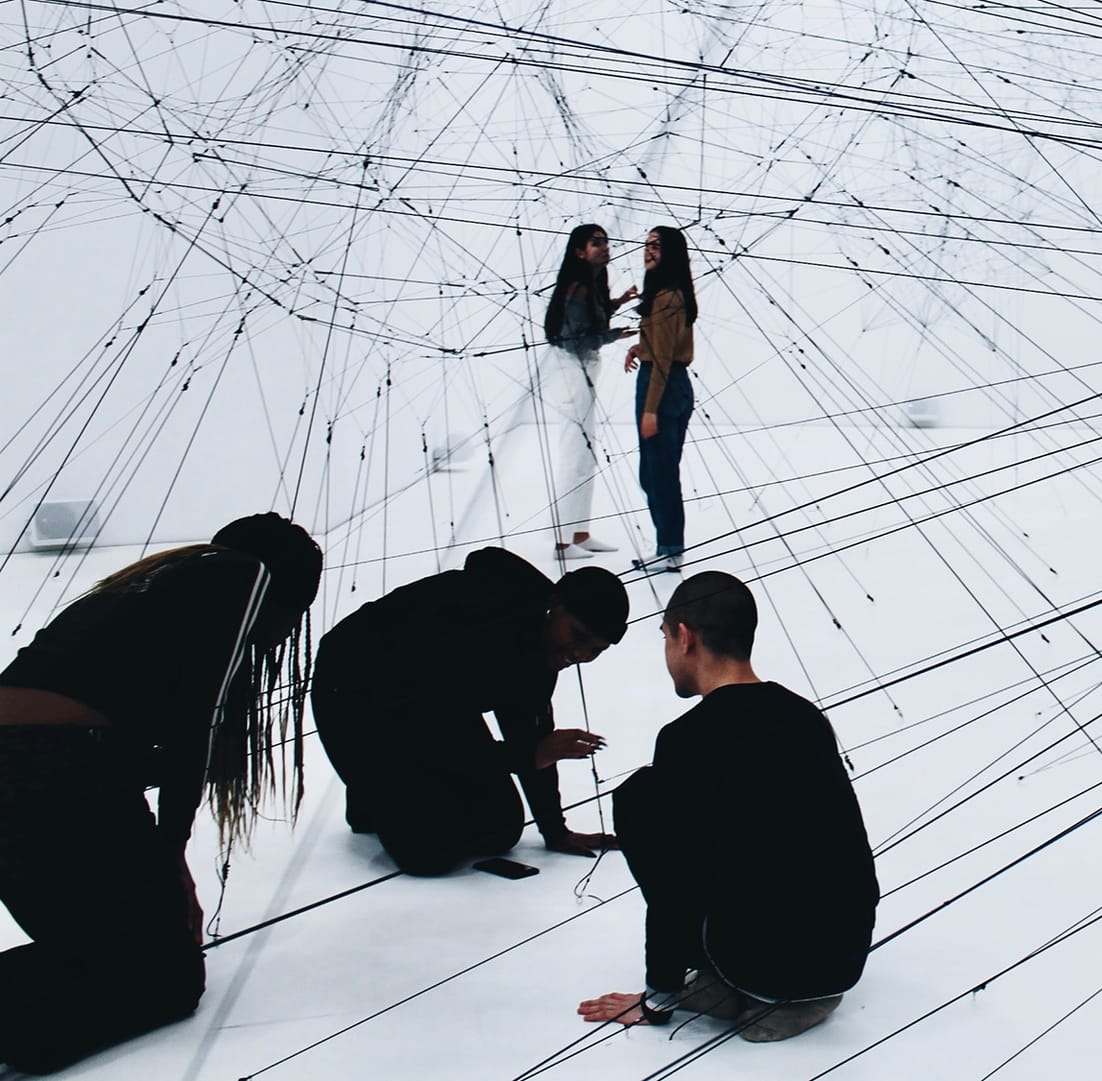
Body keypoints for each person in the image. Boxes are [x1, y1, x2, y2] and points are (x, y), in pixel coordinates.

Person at [0, 513, 323, 1073]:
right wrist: (171, 854)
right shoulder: (243, 574)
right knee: (170, 977)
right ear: (286, 594)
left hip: (39, 771)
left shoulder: (153, 587)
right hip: (53, 767)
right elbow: (196, 724)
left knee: (91, 953)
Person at [578, 571, 877, 1043]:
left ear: (684, 638)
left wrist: (660, 996)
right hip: (842, 951)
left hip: (774, 960)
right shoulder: (804, 716)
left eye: (664, 638)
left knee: (639, 798)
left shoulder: (687, 739)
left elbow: (677, 883)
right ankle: (772, 985)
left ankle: (763, 987)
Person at [310, 548, 627, 876]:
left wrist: (555, 830)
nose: (579, 653)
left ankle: (384, 791)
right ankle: (372, 788)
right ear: (555, 605)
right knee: (429, 854)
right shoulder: (479, 618)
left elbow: (529, 731)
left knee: (501, 829)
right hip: (354, 694)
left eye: (595, 650)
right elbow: (422, 728)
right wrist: (528, 755)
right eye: (578, 636)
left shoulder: (542, 644)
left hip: (435, 706)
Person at [543, 223, 638, 560]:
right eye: (596, 242)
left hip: (583, 368)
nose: (604, 247)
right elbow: (578, 339)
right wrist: (615, 335)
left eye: (605, 241)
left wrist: (619, 302)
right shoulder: (577, 289)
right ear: (579, 252)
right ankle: (562, 542)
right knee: (575, 454)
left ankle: (579, 534)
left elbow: (592, 318)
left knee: (585, 455)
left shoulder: (591, 285)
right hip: (571, 370)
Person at [622, 225, 698, 570]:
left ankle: (670, 549)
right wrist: (640, 347)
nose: (648, 250)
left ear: (672, 254)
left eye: (657, 246)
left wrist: (651, 410)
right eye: (647, 244)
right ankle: (668, 547)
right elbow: (666, 346)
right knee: (656, 473)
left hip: (662, 386)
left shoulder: (667, 296)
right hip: (669, 382)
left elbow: (665, 359)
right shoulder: (669, 294)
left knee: (659, 474)